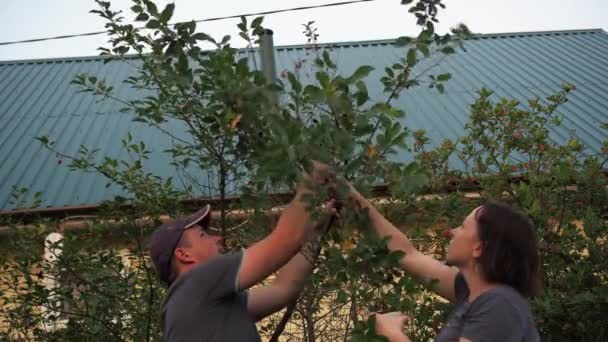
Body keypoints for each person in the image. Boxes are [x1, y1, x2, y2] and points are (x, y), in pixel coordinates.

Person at [149, 165, 334, 341]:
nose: (217, 238)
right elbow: (286, 239)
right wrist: (312, 181)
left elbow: (283, 289)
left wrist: (316, 231)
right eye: (203, 235)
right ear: (184, 255)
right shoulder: (197, 281)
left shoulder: (194, 303)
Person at [350, 186, 542, 342]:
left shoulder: (500, 304)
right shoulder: (469, 290)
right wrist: (348, 192)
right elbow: (407, 253)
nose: (452, 231)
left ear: (478, 247)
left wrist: (392, 334)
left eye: (463, 227)